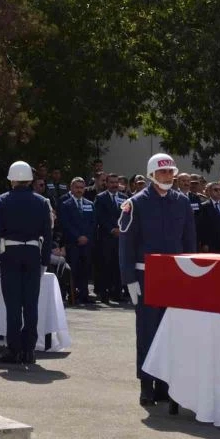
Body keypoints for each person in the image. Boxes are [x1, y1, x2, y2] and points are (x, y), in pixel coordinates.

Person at [119, 153, 196, 406]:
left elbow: (189, 242)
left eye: (171, 172)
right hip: (146, 275)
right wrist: (129, 278)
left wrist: (189, 276)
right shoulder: (136, 203)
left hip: (173, 276)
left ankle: (165, 385)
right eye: (163, 173)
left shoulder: (182, 202)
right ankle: (146, 385)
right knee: (147, 331)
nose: (168, 177)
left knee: (171, 331)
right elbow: (127, 244)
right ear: (152, 175)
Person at [0, 161, 53, 365]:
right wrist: (45, 260)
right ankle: (29, 350)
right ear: (30, 179)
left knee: (13, 305)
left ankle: (14, 349)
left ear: (12, 179)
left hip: (10, 254)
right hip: (33, 254)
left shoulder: (2, 201)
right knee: (31, 304)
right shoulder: (43, 202)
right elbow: (48, 235)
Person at [59, 177, 96, 303]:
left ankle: (84, 294)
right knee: (74, 269)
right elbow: (65, 224)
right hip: (73, 243)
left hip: (87, 243)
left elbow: (93, 223)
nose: (79, 190)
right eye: (77, 187)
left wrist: (87, 237)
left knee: (85, 269)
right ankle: (73, 295)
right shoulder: (65, 205)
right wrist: (77, 237)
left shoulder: (90, 204)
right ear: (71, 188)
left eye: (81, 187)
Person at [95, 173, 127, 303]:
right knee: (105, 266)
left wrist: (121, 229)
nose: (114, 185)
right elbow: (99, 216)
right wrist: (112, 229)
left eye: (116, 182)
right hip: (106, 237)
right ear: (106, 184)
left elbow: (127, 215)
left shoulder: (124, 198)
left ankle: (117, 293)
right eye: (111, 182)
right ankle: (104, 294)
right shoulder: (100, 198)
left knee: (118, 266)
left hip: (120, 237)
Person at [197, 181, 220, 253]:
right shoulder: (204, 206)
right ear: (210, 192)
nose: (219, 192)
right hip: (210, 243)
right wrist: (204, 243)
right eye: (215, 190)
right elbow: (202, 226)